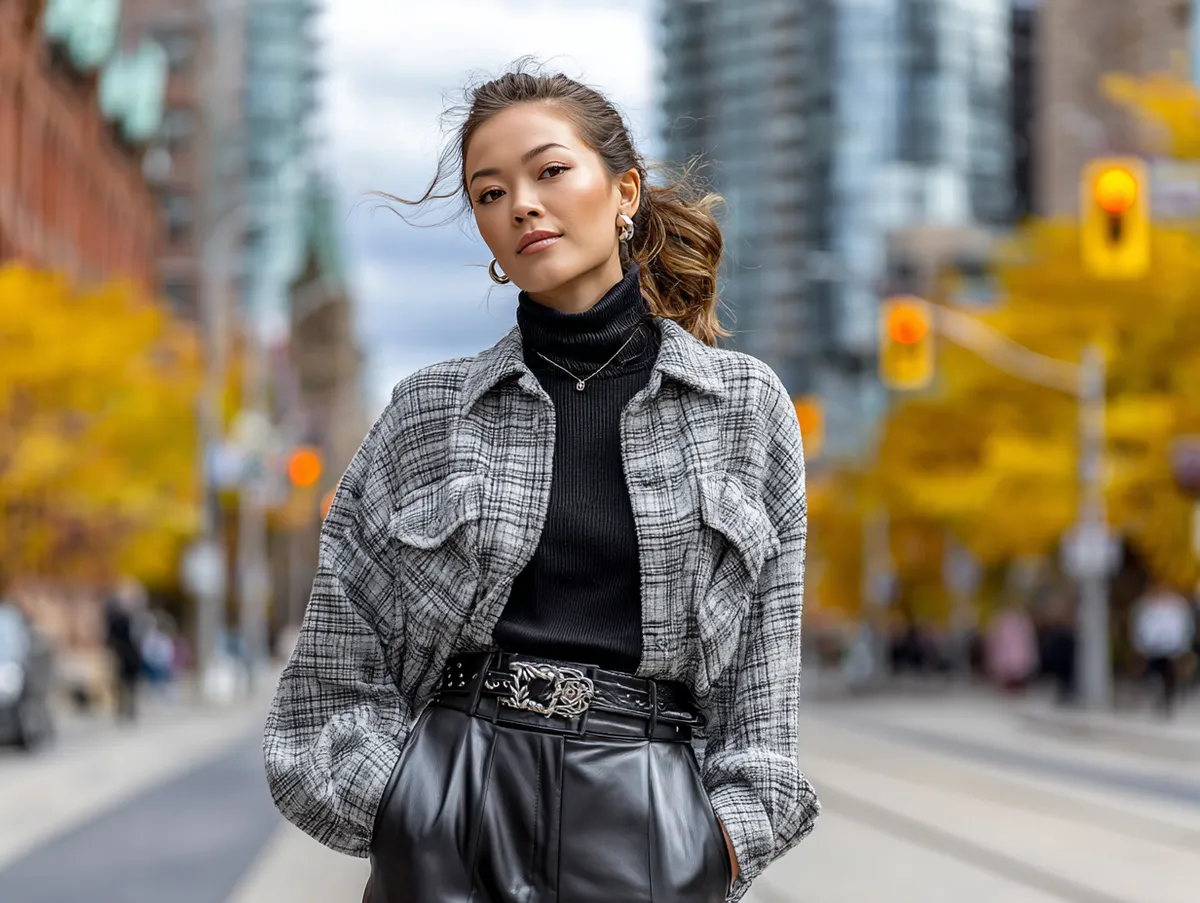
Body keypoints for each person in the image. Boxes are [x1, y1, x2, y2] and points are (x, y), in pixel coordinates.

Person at [262, 64, 819, 903]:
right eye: (489, 193)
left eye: (550, 171)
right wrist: (411, 811)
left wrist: (712, 847)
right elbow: (328, 685)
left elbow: (763, 704)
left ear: (624, 190)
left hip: (651, 832)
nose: (520, 203)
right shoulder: (427, 413)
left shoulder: (745, 408)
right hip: (452, 813)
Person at [1130, 580, 1195, 716]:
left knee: (1170, 671)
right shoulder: (1146, 606)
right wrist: (1142, 646)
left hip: (1172, 648)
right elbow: (1140, 628)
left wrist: (1183, 647)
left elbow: (1185, 628)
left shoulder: (1178, 606)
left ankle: (1167, 698)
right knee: (1154, 671)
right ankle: (1157, 693)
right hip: (1152, 648)